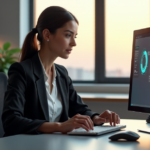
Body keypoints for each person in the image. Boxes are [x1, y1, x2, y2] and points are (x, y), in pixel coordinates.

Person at [2, 6, 120, 137]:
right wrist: (60, 126)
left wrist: (96, 118)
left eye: (75, 36)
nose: (74, 43)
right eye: (68, 35)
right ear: (47, 34)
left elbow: (79, 108)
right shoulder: (22, 71)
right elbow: (11, 121)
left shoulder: (61, 73)